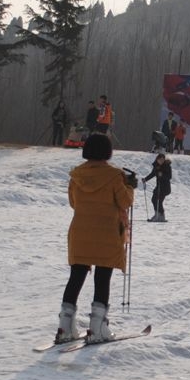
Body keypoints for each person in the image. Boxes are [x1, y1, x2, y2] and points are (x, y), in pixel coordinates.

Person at [55, 133, 136, 344]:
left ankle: (65, 327)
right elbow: (124, 201)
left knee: (76, 276)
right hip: (106, 232)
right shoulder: (114, 176)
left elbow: (74, 203)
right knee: (102, 278)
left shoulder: (77, 176)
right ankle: (97, 328)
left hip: (80, 232)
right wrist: (130, 186)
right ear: (107, 152)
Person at [142, 153, 172, 222]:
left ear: (164, 160)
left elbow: (169, 177)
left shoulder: (167, 166)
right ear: (157, 159)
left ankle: (161, 216)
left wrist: (162, 175)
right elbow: (153, 174)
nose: (161, 161)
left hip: (165, 187)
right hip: (158, 186)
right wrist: (145, 179)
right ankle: (157, 214)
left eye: (162, 159)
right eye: (160, 159)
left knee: (159, 201)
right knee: (153, 200)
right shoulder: (156, 166)